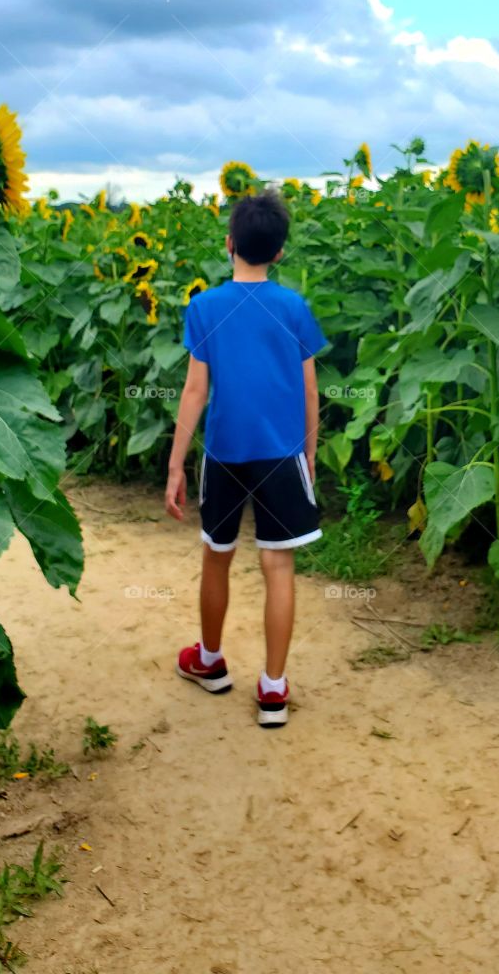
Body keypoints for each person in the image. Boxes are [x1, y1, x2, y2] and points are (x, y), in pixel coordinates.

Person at [165, 188, 326, 727]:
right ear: (279, 253)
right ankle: (274, 691)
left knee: (217, 555)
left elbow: (194, 392)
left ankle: (210, 661)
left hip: (226, 453)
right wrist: (308, 453)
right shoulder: (293, 308)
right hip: (282, 455)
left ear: (230, 244)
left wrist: (174, 466)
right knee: (278, 565)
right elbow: (309, 392)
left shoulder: (204, 307)